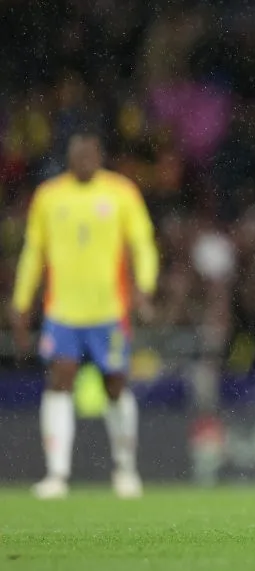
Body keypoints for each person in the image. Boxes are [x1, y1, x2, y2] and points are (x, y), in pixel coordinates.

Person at [10, 127, 159, 499]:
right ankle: (56, 475)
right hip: (63, 312)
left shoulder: (121, 192)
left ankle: (125, 469)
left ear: (100, 155)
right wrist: (21, 302)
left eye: (90, 156)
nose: (84, 162)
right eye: (77, 156)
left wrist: (145, 286)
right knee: (60, 380)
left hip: (109, 310)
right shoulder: (48, 196)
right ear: (69, 158)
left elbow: (142, 243)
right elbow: (33, 252)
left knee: (115, 384)